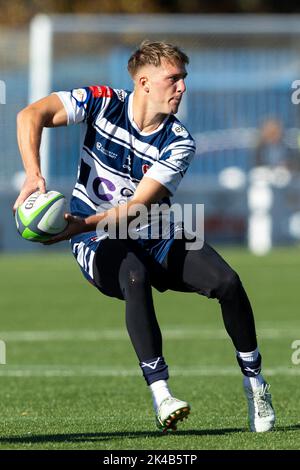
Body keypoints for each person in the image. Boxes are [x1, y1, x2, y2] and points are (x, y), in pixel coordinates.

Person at [14, 40, 275, 433]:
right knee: (133, 274)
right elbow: (30, 115)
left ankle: (255, 382)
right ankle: (162, 394)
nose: (182, 87)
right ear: (144, 82)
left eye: (184, 78)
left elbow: (137, 208)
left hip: (153, 232)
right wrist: (34, 174)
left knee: (228, 282)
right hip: (98, 240)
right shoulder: (101, 101)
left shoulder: (179, 141)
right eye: (174, 78)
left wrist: (77, 223)